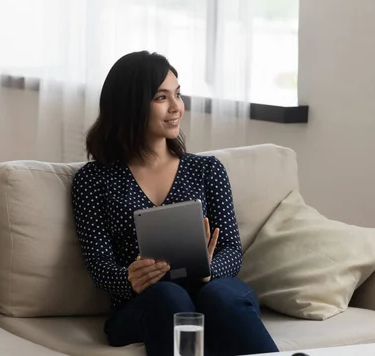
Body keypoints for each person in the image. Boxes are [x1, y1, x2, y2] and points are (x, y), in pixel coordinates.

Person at [72, 51, 279, 356]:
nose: (176, 107)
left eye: (178, 95)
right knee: (167, 295)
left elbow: (232, 252)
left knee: (220, 295)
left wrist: (210, 268)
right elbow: (99, 264)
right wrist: (130, 278)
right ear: (131, 105)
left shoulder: (206, 170)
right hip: (144, 304)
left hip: (213, 290)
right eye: (161, 97)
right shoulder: (93, 180)